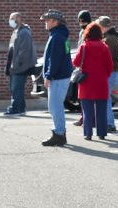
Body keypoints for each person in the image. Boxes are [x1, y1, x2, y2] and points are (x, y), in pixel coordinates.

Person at [73, 23, 113, 141]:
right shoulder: (105, 47)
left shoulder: (84, 47)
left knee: (87, 110)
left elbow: (75, 62)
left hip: (86, 82)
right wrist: (104, 75)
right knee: (101, 110)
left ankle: (88, 133)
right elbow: (110, 66)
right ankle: (102, 133)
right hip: (101, 82)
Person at [40, 10, 72, 147]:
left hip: (58, 77)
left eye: (48, 20)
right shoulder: (59, 35)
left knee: (55, 107)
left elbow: (55, 59)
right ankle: (59, 133)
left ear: (55, 22)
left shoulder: (57, 37)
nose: (46, 23)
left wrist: (48, 76)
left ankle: (59, 134)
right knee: (55, 106)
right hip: (61, 76)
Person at [5, 12, 35, 116]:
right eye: (10, 18)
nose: (11, 21)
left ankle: (15, 108)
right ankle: (21, 108)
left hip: (20, 66)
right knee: (16, 88)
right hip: (14, 65)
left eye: (12, 18)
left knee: (16, 88)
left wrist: (17, 63)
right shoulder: (15, 32)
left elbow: (24, 51)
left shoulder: (24, 32)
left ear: (19, 18)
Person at [96, 16, 118, 133]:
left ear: (102, 27)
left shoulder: (109, 39)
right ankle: (108, 122)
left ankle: (110, 123)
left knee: (105, 98)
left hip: (108, 71)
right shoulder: (112, 37)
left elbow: (107, 57)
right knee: (105, 97)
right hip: (111, 70)